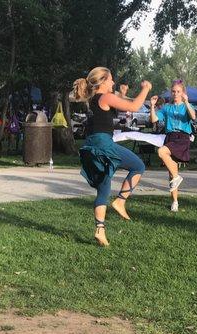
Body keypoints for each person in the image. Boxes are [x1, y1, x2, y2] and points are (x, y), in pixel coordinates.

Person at [73, 67, 151, 246]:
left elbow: (120, 105)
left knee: (103, 188)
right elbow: (134, 106)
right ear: (102, 82)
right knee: (138, 166)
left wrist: (123, 95)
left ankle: (100, 230)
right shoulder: (105, 96)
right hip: (103, 143)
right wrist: (146, 88)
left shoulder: (93, 100)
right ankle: (121, 201)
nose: (113, 83)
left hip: (90, 146)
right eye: (111, 80)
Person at [149, 80, 196, 212]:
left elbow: (193, 116)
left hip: (182, 137)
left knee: (161, 152)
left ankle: (177, 178)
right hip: (170, 137)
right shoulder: (166, 107)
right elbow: (153, 120)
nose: (175, 94)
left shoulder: (186, 105)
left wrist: (186, 102)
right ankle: (175, 201)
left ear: (183, 93)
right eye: (173, 91)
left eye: (178, 91)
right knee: (171, 173)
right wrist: (152, 106)